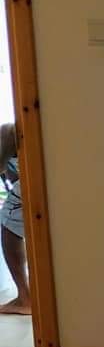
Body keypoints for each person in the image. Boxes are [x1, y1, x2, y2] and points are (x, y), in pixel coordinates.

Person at [0, 122, 28, 315]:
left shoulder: (7, 130)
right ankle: (27, 295)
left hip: (28, 181)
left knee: (8, 224)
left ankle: (25, 299)